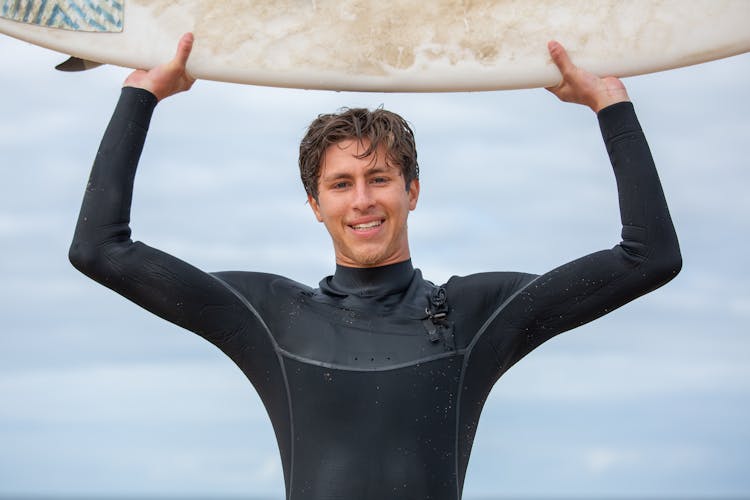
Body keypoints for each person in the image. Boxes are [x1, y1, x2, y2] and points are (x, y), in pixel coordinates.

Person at [69, 33, 681, 500]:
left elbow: (648, 257)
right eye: (341, 184)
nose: (362, 200)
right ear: (315, 205)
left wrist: (611, 106)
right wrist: (140, 96)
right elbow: (100, 249)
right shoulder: (271, 317)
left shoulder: (474, 315)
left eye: (379, 178)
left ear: (412, 191)